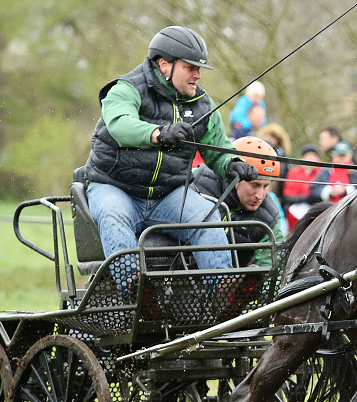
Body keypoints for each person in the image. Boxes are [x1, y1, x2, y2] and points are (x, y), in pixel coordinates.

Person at [83, 25, 259, 291]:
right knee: (113, 216)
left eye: (199, 69)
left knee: (206, 217)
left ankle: (223, 293)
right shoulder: (125, 89)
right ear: (165, 65)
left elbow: (217, 148)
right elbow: (121, 125)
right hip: (115, 187)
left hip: (169, 194)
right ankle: (137, 294)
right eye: (190, 68)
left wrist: (231, 164)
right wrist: (159, 133)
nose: (198, 76)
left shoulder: (202, 103)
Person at [192, 136, 285, 268]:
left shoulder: (269, 217)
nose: (260, 195)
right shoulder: (197, 181)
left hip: (230, 285)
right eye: (255, 185)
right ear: (234, 175)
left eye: (266, 186)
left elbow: (272, 269)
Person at [282, 144, 323, 229]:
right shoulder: (294, 172)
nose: (310, 159)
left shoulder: (322, 172)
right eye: (308, 156)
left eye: (313, 156)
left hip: (316, 207)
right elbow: (288, 196)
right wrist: (306, 197)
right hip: (295, 209)